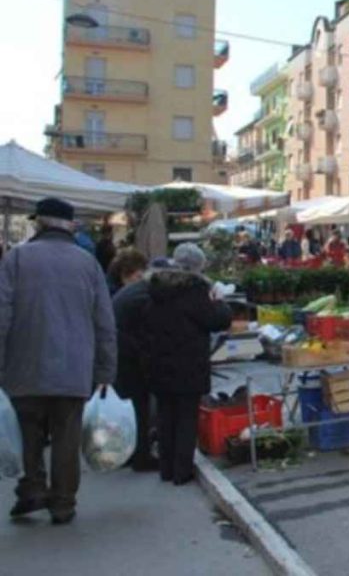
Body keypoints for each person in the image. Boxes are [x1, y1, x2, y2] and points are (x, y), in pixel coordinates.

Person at [0, 198, 116, 524]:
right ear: (71, 226)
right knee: (67, 438)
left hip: (23, 366)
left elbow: (2, 314)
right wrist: (106, 370)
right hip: (74, 368)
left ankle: (33, 486)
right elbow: (104, 322)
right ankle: (63, 502)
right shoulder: (88, 263)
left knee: (27, 432)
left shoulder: (17, 258)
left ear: (39, 224)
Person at [142, 244, 232, 485]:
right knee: (185, 417)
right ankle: (182, 471)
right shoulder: (195, 290)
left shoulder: (157, 287)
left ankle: (166, 468)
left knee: (165, 415)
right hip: (188, 362)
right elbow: (217, 320)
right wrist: (220, 302)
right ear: (197, 266)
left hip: (159, 360)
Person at [112, 256, 161, 472]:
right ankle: (141, 456)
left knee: (130, 407)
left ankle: (130, 452)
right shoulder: (142, 295)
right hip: (129, 357)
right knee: (139, 407)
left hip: (120, 354)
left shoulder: (129, 293)